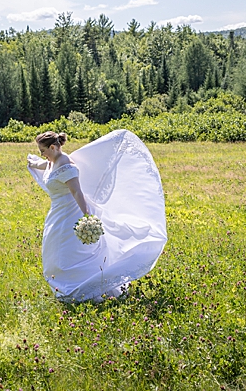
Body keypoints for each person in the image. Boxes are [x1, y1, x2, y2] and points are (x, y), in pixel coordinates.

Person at [27, 129, 167, 302]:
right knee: (55, 250)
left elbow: (78, 193)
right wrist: (34, 163)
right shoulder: (53, 161)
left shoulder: (65, 166)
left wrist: (86, 217)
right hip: (57, 213)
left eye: (43, 151)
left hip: (70, 213)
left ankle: (82, 289)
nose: (42, 155)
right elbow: (47, 166)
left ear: (54, 147)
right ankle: (64, 287)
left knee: (69, 251)